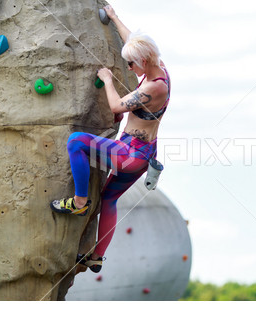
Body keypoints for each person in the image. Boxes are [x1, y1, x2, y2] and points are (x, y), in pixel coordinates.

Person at [50, 4, 171, 273]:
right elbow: (133, 41)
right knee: (109, 200)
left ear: (144, 60)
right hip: (143, 155)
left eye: (131, 63)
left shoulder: (154, 87)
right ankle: (97, 256)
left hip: (130, 155)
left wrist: (107, 80)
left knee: (76, 142)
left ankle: (79, 203)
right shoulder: (158, 67)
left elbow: (117, 107)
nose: (129, 67)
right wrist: (115, 18)